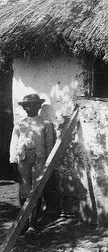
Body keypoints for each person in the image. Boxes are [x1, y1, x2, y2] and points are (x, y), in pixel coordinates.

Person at [9, 93, 56, 233]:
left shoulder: (45, 124)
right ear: (24, 108)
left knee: (36, 188)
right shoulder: (20, 124)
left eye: (34, 105)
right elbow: (14, 143)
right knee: (24, 188)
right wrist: (13, 160)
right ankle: (23, 221)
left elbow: (49, 145)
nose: (31, 108)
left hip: (39, 158)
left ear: (39, 106)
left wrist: (48, 162)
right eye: (28, 106)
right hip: (23, 158)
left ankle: (32, 223)